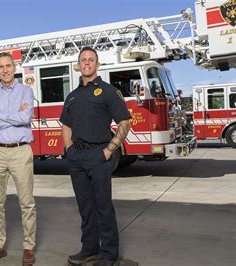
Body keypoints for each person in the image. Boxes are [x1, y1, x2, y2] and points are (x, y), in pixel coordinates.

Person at [60, 47, 131, 266]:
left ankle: (108, 254)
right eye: (83, 60)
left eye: (91, 60)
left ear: (97, 64)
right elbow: (66, 125)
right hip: (76, 157)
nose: (87, 63)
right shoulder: (72, 96)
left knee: (103, 205)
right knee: (85, 206)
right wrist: (69, 150)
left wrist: (109, 150)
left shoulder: (108, 91)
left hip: (98, 155)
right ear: (78, 65)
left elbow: (124, 123)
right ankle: (89, 249)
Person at [0, 52, 37, 265]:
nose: (5, 70)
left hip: (20, 151)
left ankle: (28, 248)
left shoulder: (25, 91)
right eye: (0, 67)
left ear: (14, 67)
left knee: (27, 203)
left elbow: (25, 117)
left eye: (8, 66)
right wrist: (13, 116)